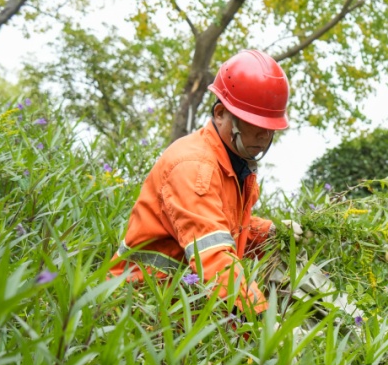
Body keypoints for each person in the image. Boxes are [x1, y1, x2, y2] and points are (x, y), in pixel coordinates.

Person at [110, 49, 294, 318]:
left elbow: (222, 226)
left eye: (271, 128)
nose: (264, 136)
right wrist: (264, 325)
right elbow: (216, 258)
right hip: (139, 309)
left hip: (177, 305)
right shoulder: (194, 167)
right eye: (254, 124)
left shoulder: (232, 163)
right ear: (220, 114)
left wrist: (270, 233)